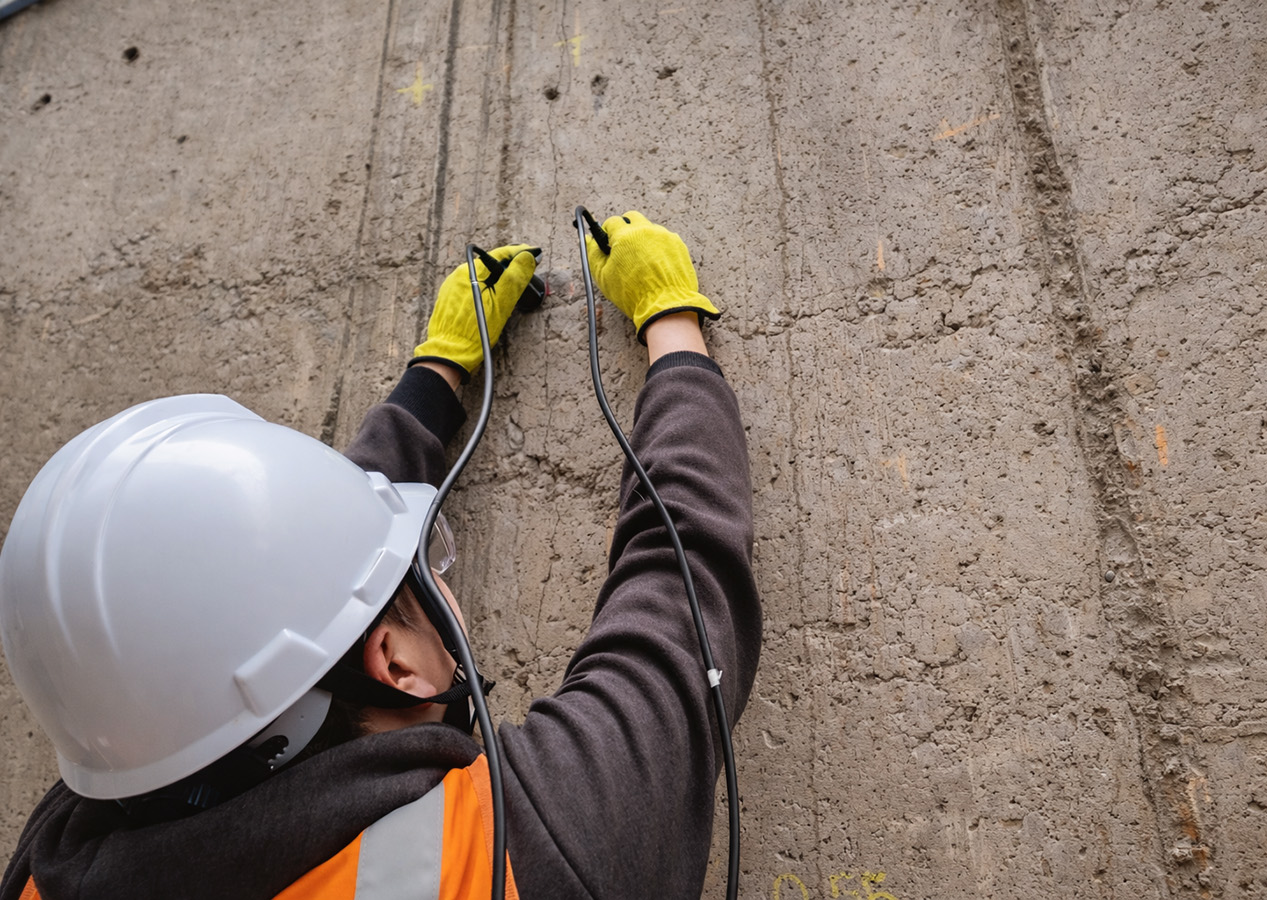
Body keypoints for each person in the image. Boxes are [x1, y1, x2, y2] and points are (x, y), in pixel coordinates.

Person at [0, 212, 761, 900]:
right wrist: (672, 322)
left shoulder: (48, 864)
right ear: (399, 665)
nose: (435, 574)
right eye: (423, 568)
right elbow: (682, 566)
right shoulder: (521, 852)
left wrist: (438, 370)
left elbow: (276, 586)